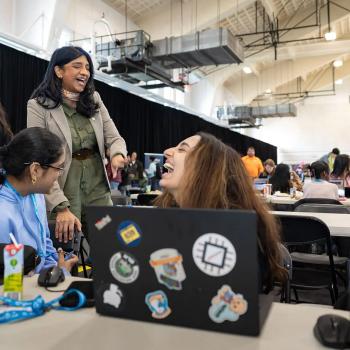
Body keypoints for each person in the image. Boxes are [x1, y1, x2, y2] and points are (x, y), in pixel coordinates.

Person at [155, 132, 286, 291]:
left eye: (182, 149)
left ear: (206, 168)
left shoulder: (236, 234)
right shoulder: (169, 218)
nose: (167, 151)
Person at [27, 46, 127, 242]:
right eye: (77, 66)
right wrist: (60, 206)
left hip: (97, 189)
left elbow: (115, 138)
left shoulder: (94, 100)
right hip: (62, 190)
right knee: (65, 253)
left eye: (88, 67)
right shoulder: (38, 106)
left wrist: (117, 155)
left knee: (108, 245)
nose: (85, 72)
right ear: (58, 71)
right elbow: (38, 158)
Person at [0, 127, 78, 273]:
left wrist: (57, 265)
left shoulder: (36, 195)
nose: (60, 175)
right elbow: (11, 284)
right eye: (59, 168)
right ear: (35, 170)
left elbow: (44, 244)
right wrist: (60, 275)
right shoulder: (3, 217)